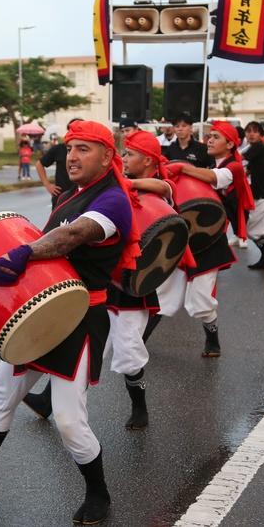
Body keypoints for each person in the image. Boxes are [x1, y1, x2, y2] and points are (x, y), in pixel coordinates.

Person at [0, 120, 139, 525]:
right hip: (40, 309)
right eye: (70, 148)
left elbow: (75, 235)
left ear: (109, 157)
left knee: (68, 418)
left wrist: (25, 252)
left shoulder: (112, 200)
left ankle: (99, 493)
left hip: (78, 319)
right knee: (0, 390)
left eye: (83, 149)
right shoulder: (74, 194)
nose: (72, 157)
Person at [151, 121, 254, 356]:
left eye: (216, 137)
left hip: (210, 240)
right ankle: (138, 343)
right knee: (163, 291)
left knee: (201, 300)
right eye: (210, 136)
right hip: (188, 236)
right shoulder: (209, 163)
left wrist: (182, 167)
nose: (209, 140)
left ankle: (212, 340)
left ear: (230, 144)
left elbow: (213, 177)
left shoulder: (234, 167)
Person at [104, 129, 177, 430]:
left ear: (147, 160)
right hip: (107, 278)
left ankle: (139, 408)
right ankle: (47, 399)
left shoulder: (158, 188)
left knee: (129, 351)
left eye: (130, 154)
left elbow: (163, 185)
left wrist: (128, 183)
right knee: (86, 344)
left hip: (134, 285)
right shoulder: (120, 187)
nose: (125, 159)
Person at [243, 121, 264, 270]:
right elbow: (247, 171)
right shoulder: (256, 150)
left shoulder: (257, 148)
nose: (251, 134)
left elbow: (240, 160)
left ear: (261, 135)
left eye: (255, 131)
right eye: (249, 131)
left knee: (250, 229)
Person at [37, 117, 81, 207]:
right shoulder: (59, 149)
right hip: (61, 198)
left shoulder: (88, 151)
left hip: (82, 197)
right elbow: (39, 164)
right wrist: (47, 185)